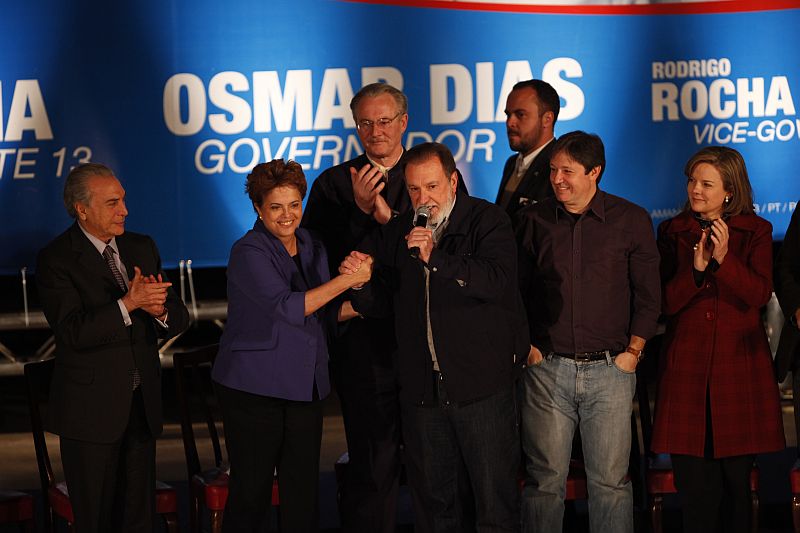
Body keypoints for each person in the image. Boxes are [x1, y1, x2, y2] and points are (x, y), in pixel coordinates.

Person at [302, 82, 465, 533]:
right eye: (366, 122)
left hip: (426, 344)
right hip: (365, 349)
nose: (376, 131)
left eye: (385, 120)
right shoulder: (333, 183)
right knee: (373, 467)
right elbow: (318, 260)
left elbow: (449, 249)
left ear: (404, 123)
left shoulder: (431, 174)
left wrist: (380, 214)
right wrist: (358, 212)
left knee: (434, 465)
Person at [342, 142, 528, 531]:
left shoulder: (487, 220)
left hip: (481, 388)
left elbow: (496, 282)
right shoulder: (399, 231)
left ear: (453, 181)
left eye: (431, 187)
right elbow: (385, 300)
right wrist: (360, 284)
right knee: (434, 506)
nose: (422, 199)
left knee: (494, 504)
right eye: (413, 190)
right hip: (423, 392)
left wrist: (436, 259)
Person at [211, 159, 371, 532]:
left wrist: (366, 297)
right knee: (252, 494)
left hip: (305, 385)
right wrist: (349, 281)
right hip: (254, 389)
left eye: (294, 205)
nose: (288, 216)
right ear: (258, 209)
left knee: (302, 494)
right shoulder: (248, 251)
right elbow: (289, 307)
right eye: (276, 207)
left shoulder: (312, 242)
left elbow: (325, 309)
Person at [516, 131, 661, 533]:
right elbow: (515, 293)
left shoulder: (630, 219)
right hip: (546, 370)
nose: (557, 179)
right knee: (544, 483)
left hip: (610, 372)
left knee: (611, 483)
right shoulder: (533, 219)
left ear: (595, 172)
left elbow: (648, 296)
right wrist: (528, 349)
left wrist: (633, 352)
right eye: (553, 170)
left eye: (567, 171)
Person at [36, 163, 190, 533]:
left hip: (140, 406)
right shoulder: (56, 259)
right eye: (112, 203)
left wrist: (160, 310)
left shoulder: (141, 246)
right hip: (90, 415)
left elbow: (180, 318)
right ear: (82, 208)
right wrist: (128, 305)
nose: (124, 210)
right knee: (96, 519)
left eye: (123, 200)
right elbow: (72, 332)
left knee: (138, 518)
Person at [651, 146, 784, 532]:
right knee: (695, 491)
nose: (695, 189)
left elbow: (759, 296)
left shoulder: (755, 232)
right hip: (687, 372)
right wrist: (694, 271)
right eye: (692, 180)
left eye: (706, 183)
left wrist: (725, 260)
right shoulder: (672, 231)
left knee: (736, 489)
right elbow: (664, 304)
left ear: (729, 190)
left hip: (738, 370)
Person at [496, 79, 559, 225]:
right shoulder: (511, 164)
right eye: (508, 114)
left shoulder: (558, 168)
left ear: (547, 119)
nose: (510, 122)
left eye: (520, 114)